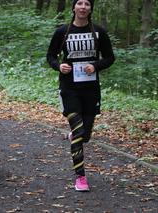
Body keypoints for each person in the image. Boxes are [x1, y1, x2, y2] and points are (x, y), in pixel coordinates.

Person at [46, 0, 115, 192]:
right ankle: (81, 177)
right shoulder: (62, 32)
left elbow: (110, 57)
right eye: (79, 3)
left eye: (87, 3)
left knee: (85, 135)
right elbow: (50, 55)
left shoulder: (99, 32)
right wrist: (59, 66)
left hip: (91, 89)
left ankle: (76, 135)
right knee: (78, 132)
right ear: (74, 7)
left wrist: (96, 66)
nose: (83, 7)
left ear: (90, 9)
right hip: (69, 88)